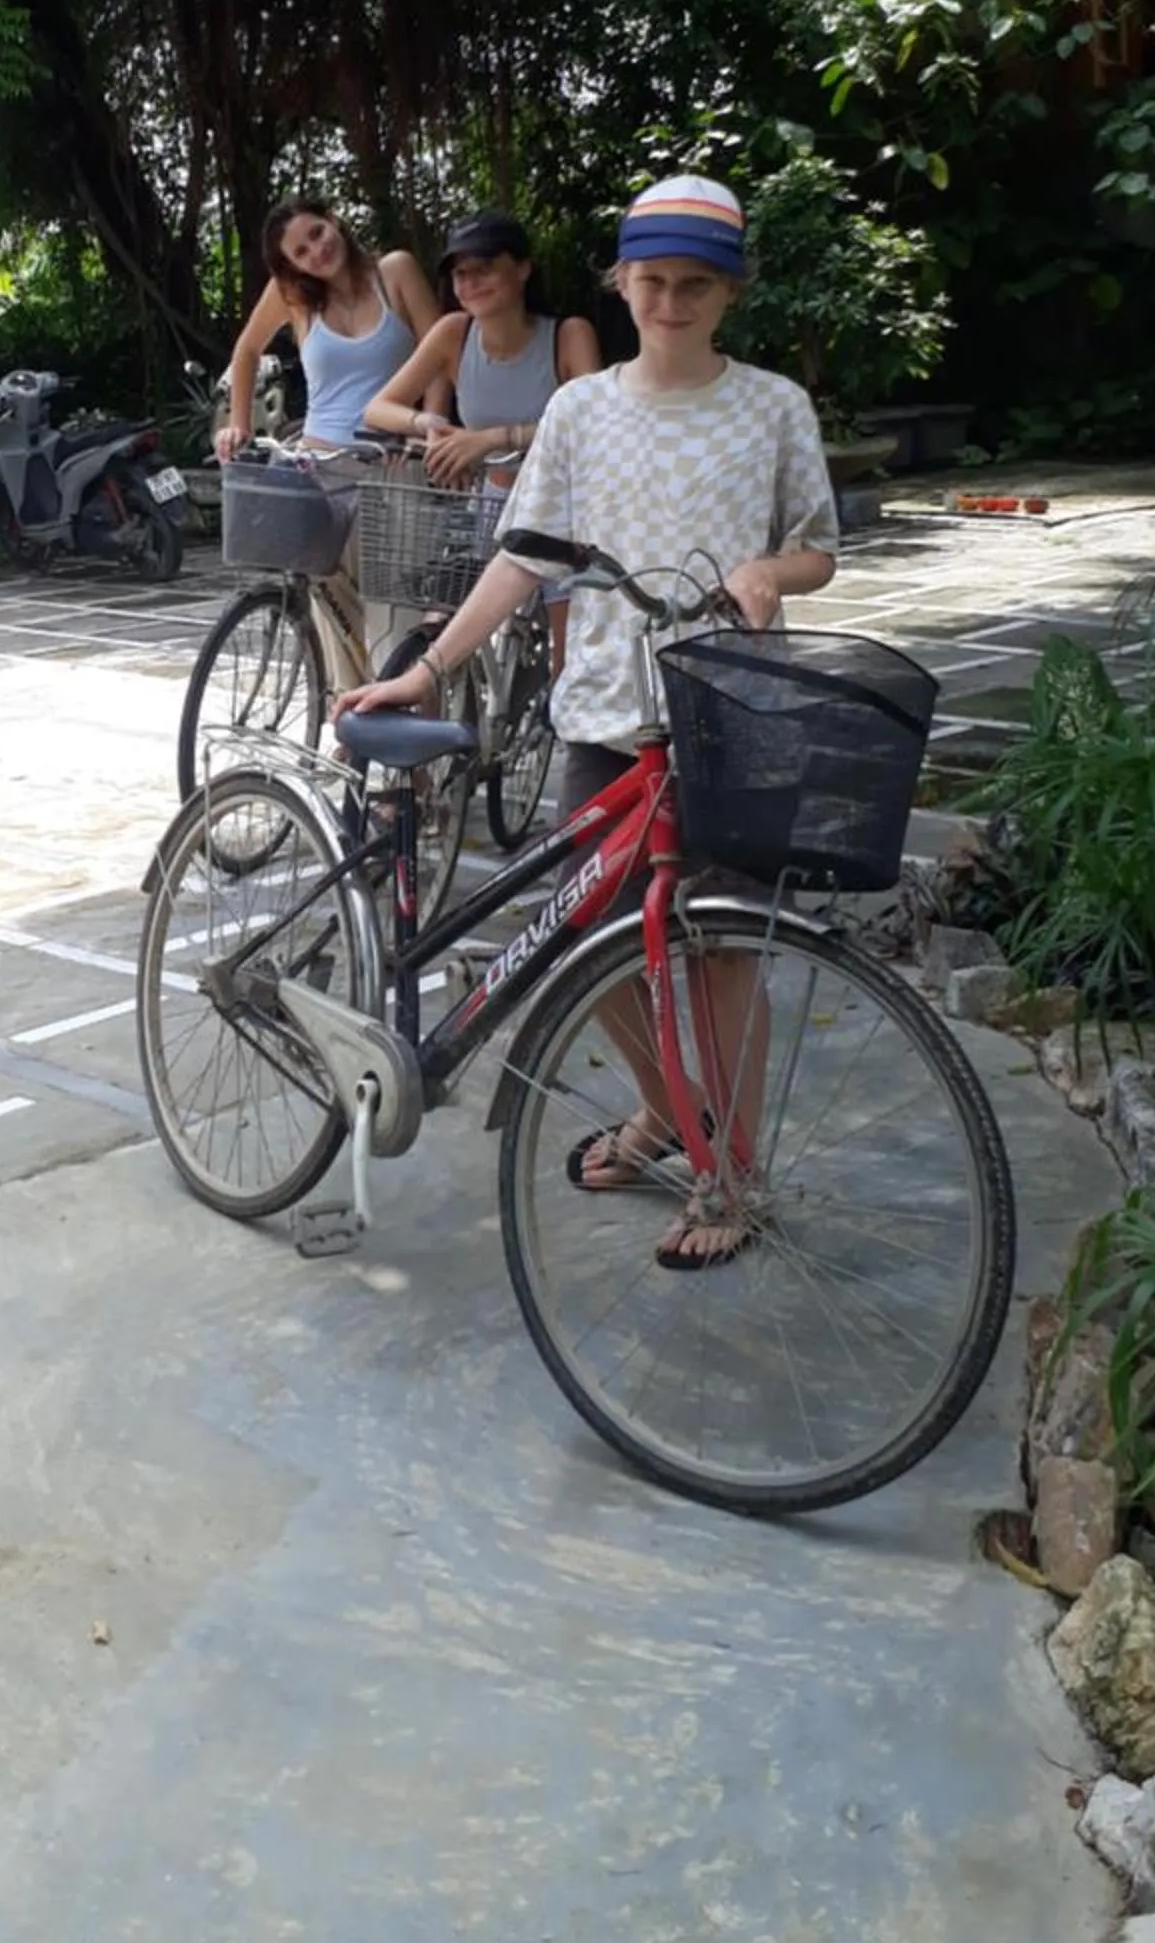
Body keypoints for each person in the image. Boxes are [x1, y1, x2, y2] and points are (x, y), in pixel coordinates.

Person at [338, 172, 839, 1263]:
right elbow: (524, 554)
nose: (670, 303)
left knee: (722, 958)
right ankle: (669, 1113)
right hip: (606, 711)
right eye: (651, 281)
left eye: (694, 285)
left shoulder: (772, 408)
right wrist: (431, 670)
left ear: (730, 292)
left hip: (731, 714)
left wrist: (768, 571)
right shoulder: (580, 409)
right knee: (582, 939)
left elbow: (820, 546)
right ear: (619, 283)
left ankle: (732, 1176)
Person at [364, 208, 600, 488]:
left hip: (561, 504)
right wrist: (428, 424)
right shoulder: (453, 332)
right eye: (460, 273)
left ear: (522, 268)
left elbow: (591, 427)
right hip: (489, 502)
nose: (471, 283)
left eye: (484, 269)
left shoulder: (570, 336)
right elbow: (377, 409)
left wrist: (493, 439)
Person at [211, 202, 439, 459]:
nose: (318, 251)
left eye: (317, 233)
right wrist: (239, 427)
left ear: (333, 220)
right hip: (315, 464)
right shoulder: (291, 295)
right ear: (294, 266)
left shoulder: (396, 272)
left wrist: (430, 435)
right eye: (301, 252)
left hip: (394, 463)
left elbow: (440, 358)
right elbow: (248, 349)